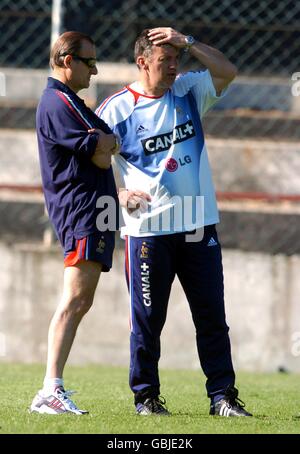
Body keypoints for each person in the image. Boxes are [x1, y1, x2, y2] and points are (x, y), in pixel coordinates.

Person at [96, 27, 252, 417]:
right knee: (147, 322)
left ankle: (222, 398)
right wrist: (117, 195)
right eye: (165, 61)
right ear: (142, 61)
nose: (173, 68)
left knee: (212, 316)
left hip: (198, 227)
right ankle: (146, 398)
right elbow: (85, 164)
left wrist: (188, 42)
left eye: (176, 61)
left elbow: (228, 71)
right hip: (147, 233)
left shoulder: (187, 90)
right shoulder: (116, 109)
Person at [30, 31, 119, 415]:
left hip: (93, 210)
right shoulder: (56, 101)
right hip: (81, 210)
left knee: (82, 300)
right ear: (68, 61)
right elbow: (100, 149)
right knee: (74, 299)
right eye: (89, 62)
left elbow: (109, 142)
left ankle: (52, 387)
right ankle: (50, 389)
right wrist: (105, 147)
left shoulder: (72, 101)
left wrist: (106, 147)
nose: (95, 69)